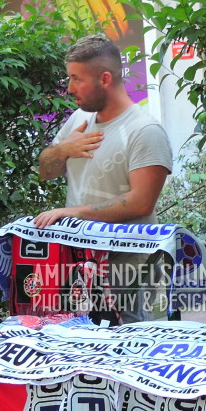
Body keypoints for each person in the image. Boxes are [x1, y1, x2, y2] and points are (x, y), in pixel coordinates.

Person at [34, 34, 173, 322]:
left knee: (126, 346)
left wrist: (71, 214)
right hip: (82, 259)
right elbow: (46, 172)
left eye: (76, 79)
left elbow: (141, 203)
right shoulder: (78, 121)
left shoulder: (144, 130)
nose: (69, 88)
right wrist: (62, 149)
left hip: (128, 261)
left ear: (105, 78)